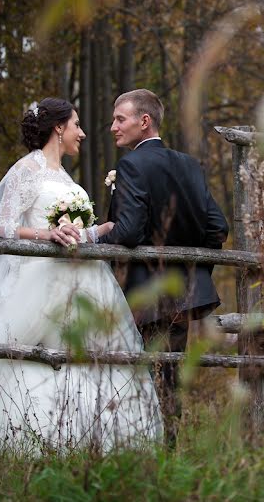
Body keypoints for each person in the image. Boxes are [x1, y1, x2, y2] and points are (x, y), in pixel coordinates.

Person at [0, 97, 162, 464]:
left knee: (88, 360)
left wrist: (101, 229)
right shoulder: (25, 170)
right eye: (76, 125)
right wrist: (48, 235)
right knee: (16, 356)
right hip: (36, 283)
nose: (82, 133)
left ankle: (80, 443)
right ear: (58, 128)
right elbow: (2, 229)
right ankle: (9, 443)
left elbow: (78, 232)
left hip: (81, 283)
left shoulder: (65, 178)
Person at [95, 88, 228, 444]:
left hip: (143, 294)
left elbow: (129, 231)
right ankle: (168, 447)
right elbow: (218, 228)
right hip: (183, 297)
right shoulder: (189, 164)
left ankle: (145, 450)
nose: (112, 127)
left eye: (119, 119)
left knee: (140, 375)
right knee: (170, 377)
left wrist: (93, 241)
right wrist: (190, 272)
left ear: (144, 121)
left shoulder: (132, 165)